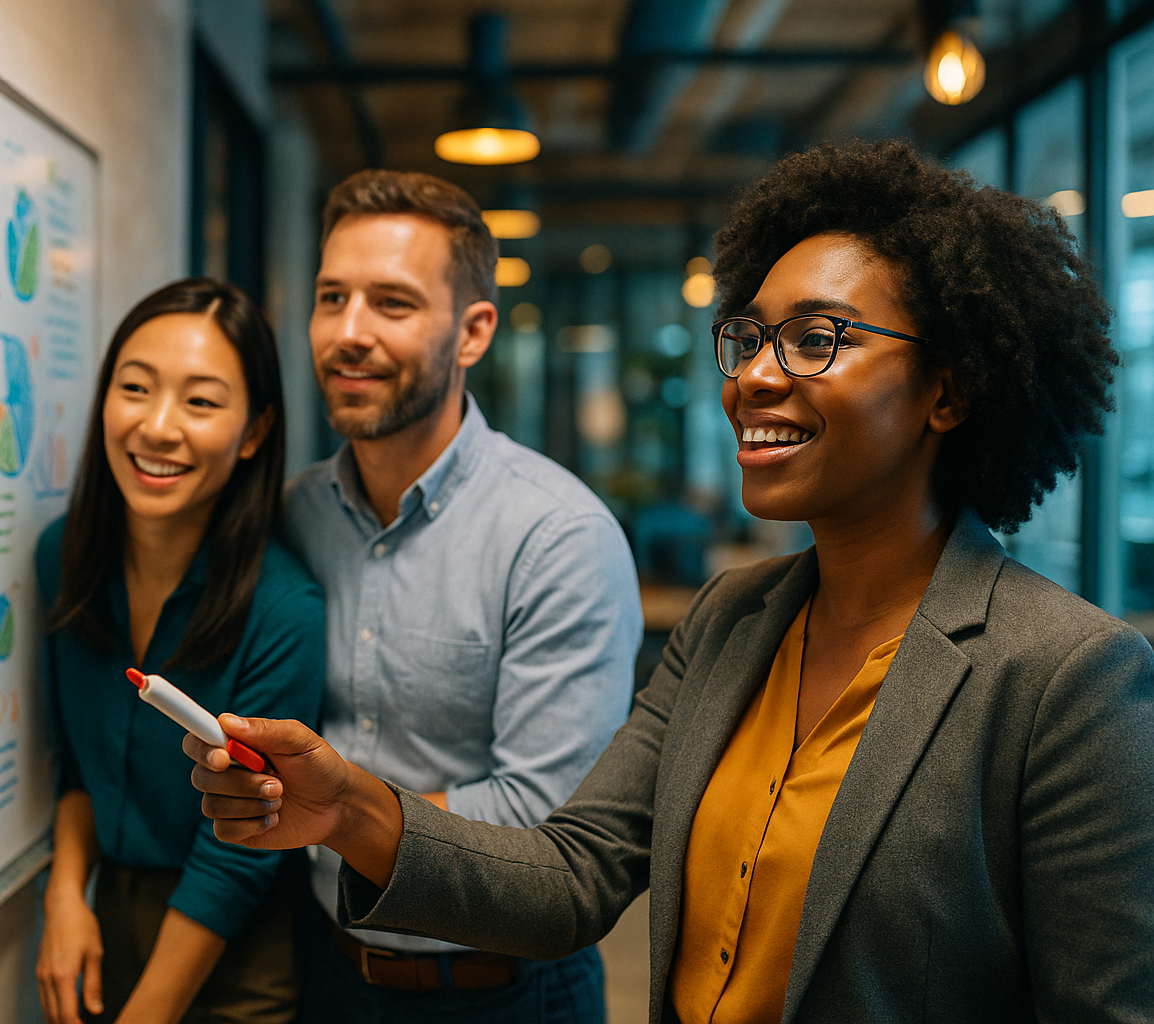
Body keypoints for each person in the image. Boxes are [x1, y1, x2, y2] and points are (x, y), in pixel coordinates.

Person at [187, 140, 1154, 1023]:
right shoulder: (736, 621)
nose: (757, 379)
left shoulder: (1066, 680)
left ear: (950, 388)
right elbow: (572, 873)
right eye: (750, 338)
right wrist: (351, 810)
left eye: (818, 337)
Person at [279, 169, 642, 1021]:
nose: (349, 332)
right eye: (332, 298)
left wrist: (334, 813)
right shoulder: (293, 515)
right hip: (324, 974)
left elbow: (544, 832)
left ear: (474, 331)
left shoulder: (559, 536)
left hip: (504, 992)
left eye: (392, 304)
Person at [34, 278, 325, 1024]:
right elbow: (75, 762)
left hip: (234, 946)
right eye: (135, 388)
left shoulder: (284, 608)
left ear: (254, 431)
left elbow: (237, 853)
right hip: (109, 913)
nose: (157, 427)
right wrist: (66, 897)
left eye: (200, 402)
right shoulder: (62, 557)